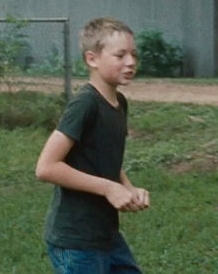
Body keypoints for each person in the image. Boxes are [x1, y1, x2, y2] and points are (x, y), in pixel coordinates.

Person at [36, 17, 148, 274]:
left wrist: (128, 188)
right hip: (76, 239)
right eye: (120, 55)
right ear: (92, 59)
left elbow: (105, 158)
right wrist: (109, 188)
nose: (131, 62)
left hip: (105, 233)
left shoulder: (119, 102)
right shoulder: (85, 104)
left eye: (133, 54)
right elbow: (46, 167)